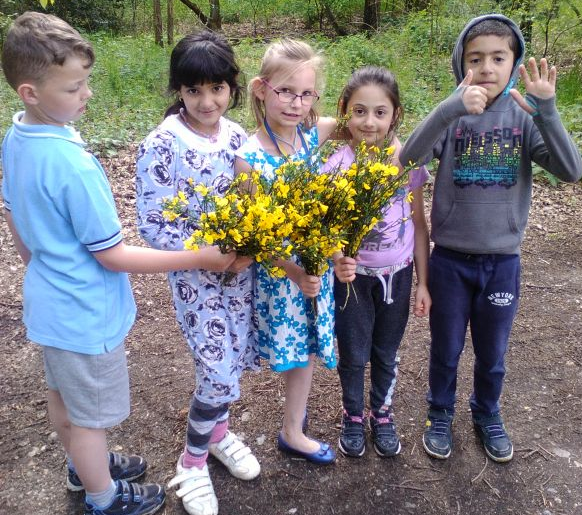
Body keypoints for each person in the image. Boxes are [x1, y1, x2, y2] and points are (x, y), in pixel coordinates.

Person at [1, 12, 237, 515]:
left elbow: (14, 216)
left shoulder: (17, 137)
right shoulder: (72, 163)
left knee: (65, 399)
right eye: (74, 87)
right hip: (85, 312)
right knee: (90, 418)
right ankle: (103, 495)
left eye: (85, 82)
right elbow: (110, 254)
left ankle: (84, 464)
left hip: (48, 302)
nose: (86, 94)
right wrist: (201, 256)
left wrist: (40, 263)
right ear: (30, 92)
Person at [399, 13, 582, 463]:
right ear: (462, 63)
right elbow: (408, 158)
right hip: (449, 262)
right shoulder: (454, 114)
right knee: (445, 349)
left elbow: (571, 169)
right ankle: (439, 413)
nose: (486, 67)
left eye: (498, 57)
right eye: (475, 58)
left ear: (515, 62)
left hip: (502, 262)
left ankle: (487, 413)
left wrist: (548, 110)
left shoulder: (524, 116)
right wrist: (449, 108)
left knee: (493, 353)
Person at [135, 31, 260, 515]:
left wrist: (251, 247)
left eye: (217, 89)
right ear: (179, 91)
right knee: (216, 370)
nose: (207, 101)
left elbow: (255, 202)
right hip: (195, 276)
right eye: (193, 91)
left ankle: (219, 434)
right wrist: (206, 253)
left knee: (233, 357)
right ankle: (191, 462)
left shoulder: (237, 137)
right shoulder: (162, 144)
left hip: (240, 273)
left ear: (232, 87)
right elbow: (154, 222)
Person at [234, 39, 347, 465]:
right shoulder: (248, 158)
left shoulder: (311, 135)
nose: (296, 103)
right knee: (294, 352)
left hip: (315, 269)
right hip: (283, 277)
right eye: (286, 91)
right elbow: (253, 237)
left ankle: (292, 431)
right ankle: (221, 435)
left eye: (306, 94)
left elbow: (362, 120)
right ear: (262, 88)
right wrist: (294, 271)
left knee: (309, 353)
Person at [324, 66, 431, 458]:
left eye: (380, 112)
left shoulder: (407, 162)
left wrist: (422, 282)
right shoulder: (335, 166)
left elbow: (419, 224)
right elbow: (328, 226)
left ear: (395, 114)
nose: (369, 122)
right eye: (360, 111)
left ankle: (381, 413)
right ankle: (353, 414)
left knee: (387, 350)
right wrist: (338, 257)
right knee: (353, 352)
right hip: (353, 280)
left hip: (398, 277)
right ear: (345, 113)